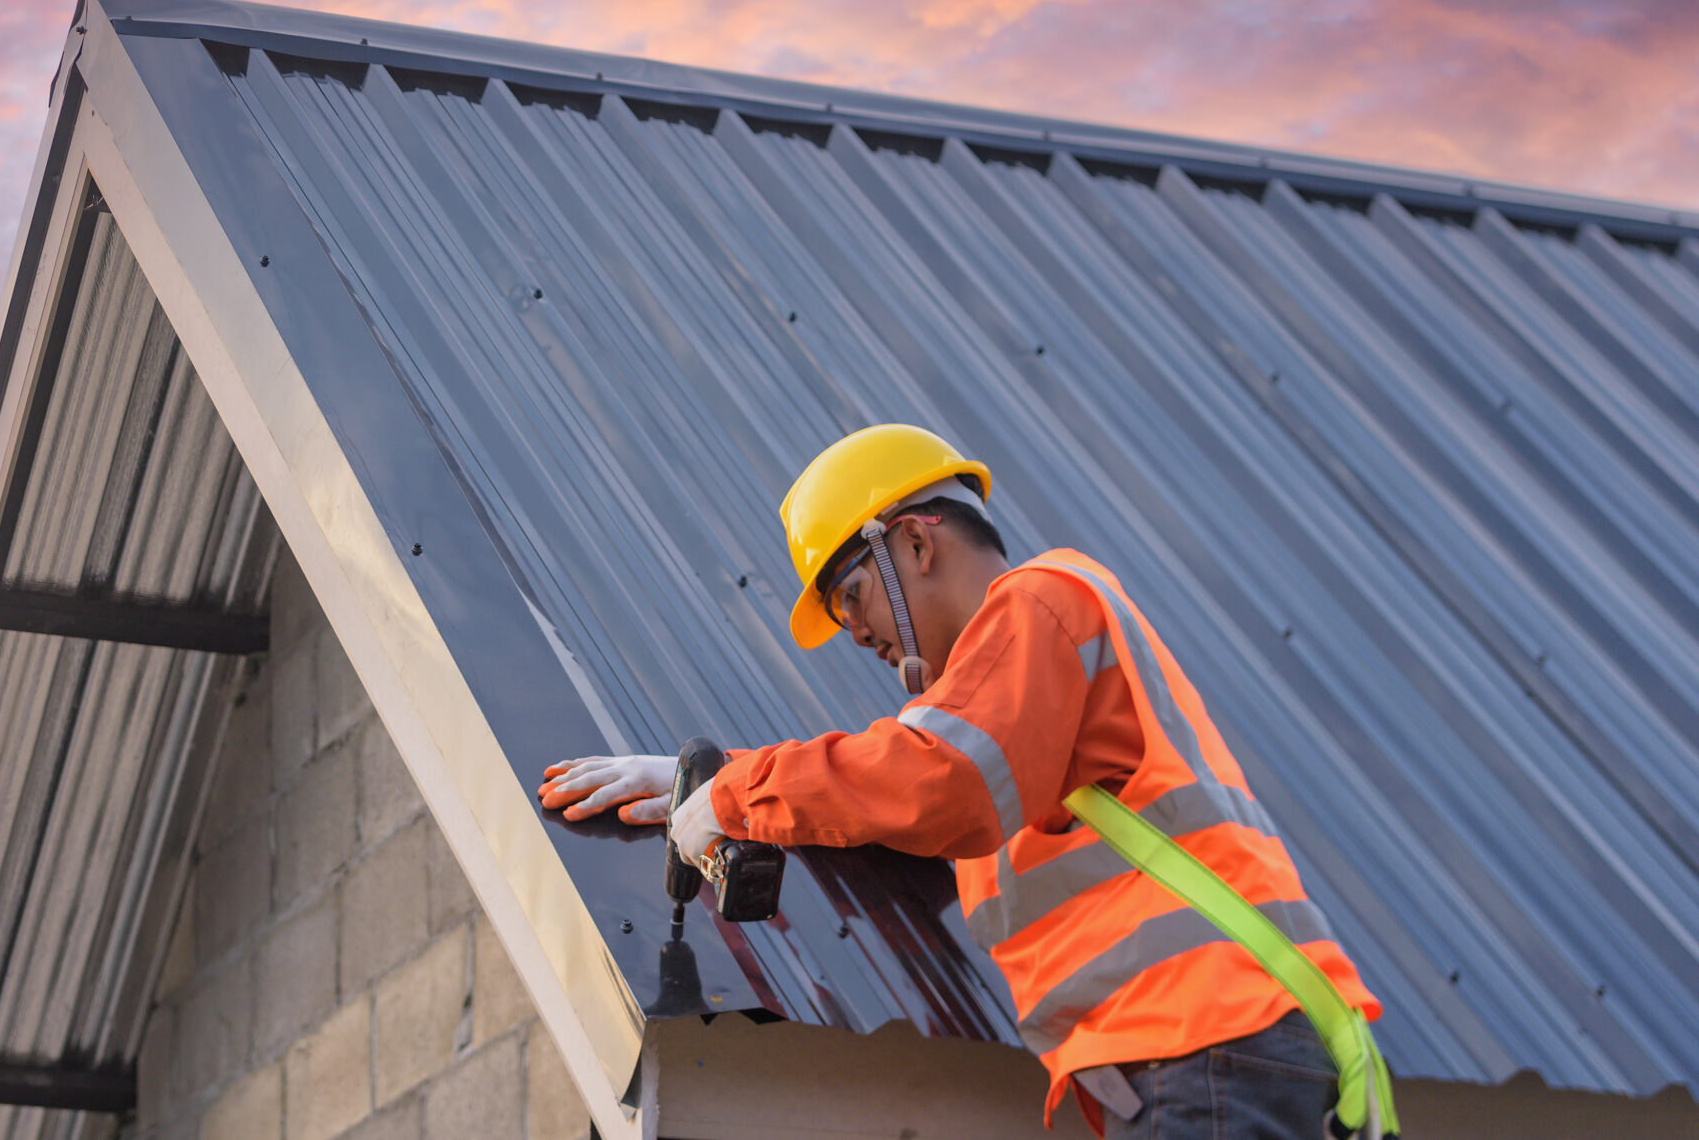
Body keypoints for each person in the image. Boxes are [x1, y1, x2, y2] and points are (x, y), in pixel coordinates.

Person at [539, 424, 1387, 1138]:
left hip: (1199, 1039)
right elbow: (901, 794)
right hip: (1209, 1047)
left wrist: (734, 792)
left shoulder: (1043, 600)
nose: (855, 630)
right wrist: (714, 783)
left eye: (852, 595)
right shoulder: (1020, 717)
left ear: (914, 538)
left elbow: (932, 780)